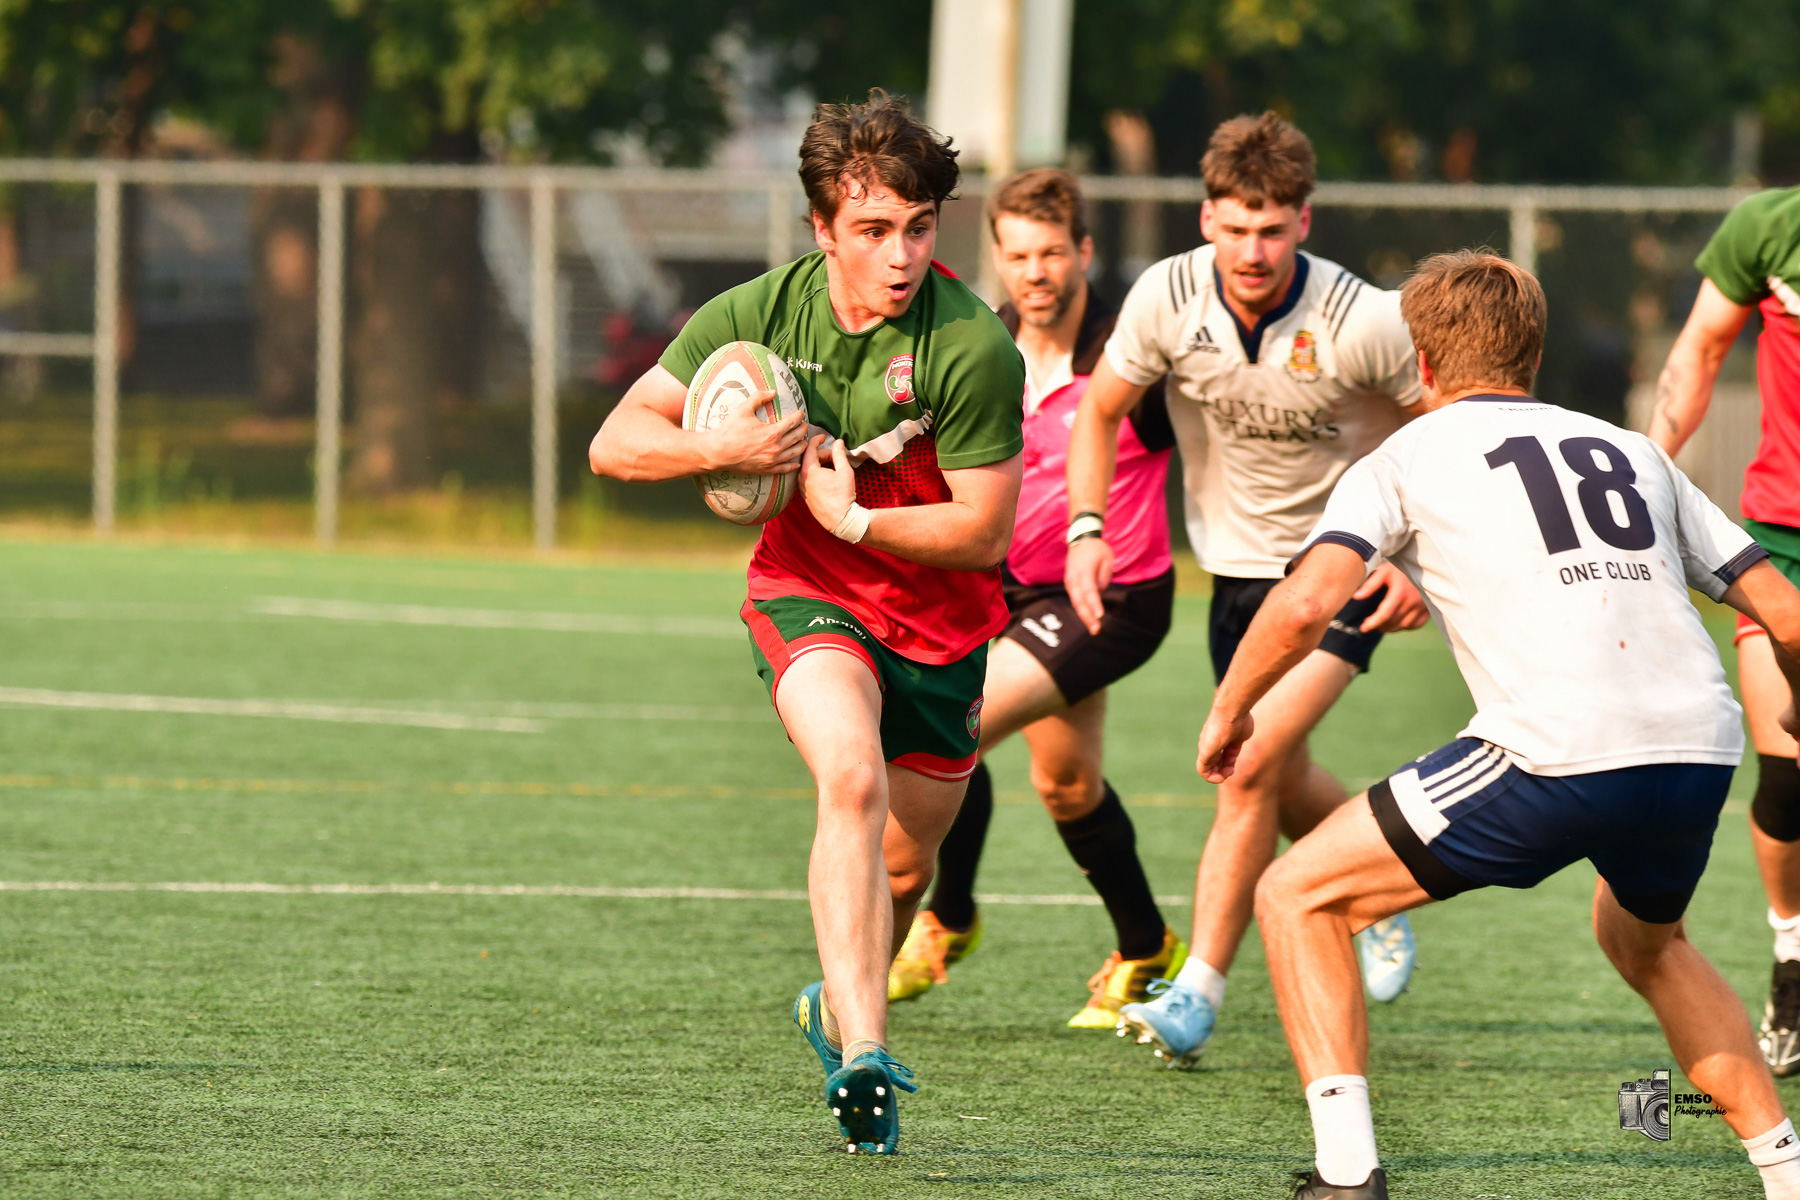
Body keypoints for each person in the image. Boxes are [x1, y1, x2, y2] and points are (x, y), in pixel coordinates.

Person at [1208, 249, 1800, 1199]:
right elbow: (1788, 613)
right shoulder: (1633, 450)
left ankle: (1347, 1173)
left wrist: (1230, 709)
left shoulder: (1404, 454)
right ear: (1534, 350)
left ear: (1424, 362)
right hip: (1700, 747)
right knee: (1648, 943)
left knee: (1296, 896)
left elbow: (1304, 601)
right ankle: (1787, 1173)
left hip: (1557, 748)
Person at [588, 90, 1024, 1156]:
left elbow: (980, 535)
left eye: (919, 227)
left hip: (944, 632)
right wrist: (723, 452)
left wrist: (857, 515)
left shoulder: (972, 346)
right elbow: (613, 442)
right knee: (849, 777)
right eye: (874, 230)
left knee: (905, 864)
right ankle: (867, 1056)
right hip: (810, 595)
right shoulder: (757, 315)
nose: (902, 253)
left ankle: (833, 1006)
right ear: (824, 227)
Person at [1062, 111, 1427, 1067]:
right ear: (1205, 218)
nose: (1251, 250)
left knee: (1251, 764)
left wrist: (1414, 555)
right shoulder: (1166, 296)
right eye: (1233, 227)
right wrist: (1087, 530)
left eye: (1271, 228)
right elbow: (1097, 412)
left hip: (1343, 565)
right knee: (1278, 766)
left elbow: (1450, 425)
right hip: (1235, 574)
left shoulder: (1363, 318)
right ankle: (1373, 898)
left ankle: (1199, 988)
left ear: (1304, 221)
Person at [887, 168, 1186, 1028]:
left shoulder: (1130, 355)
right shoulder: (986, 345)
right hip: (1006, 593)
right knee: (1066, 786)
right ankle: (1145, 949)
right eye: (1017, 255)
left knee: (957, 726)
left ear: (1084, 251)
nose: (1035, 272)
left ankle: (947, 920)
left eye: (1052, 252)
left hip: (1114, 596)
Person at [1648, 184, 1800, 1076]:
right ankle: (1792, 959)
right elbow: (1695, 354)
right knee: (1786, 778)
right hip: (1782, 542)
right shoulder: (1768, 227)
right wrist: (1636, 485)